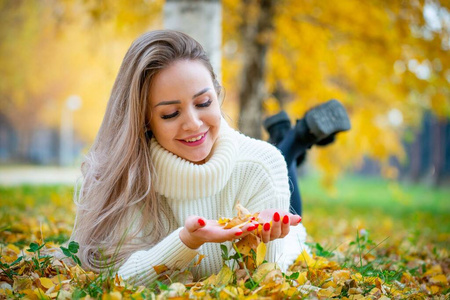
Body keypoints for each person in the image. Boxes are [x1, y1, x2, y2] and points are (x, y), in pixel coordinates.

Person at [70, 30, 307, 287]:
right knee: (284, 155)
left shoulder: (262, 163)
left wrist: (266, 238)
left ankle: (289, 146)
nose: (193, 124)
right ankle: (289, 142)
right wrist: (186, 241)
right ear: (144, 121)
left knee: (282, 161)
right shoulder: (125, 175)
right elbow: (116, 279)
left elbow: (268, 276)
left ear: (217, 95)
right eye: (171, 114)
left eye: (204, 103)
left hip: (288, 232)